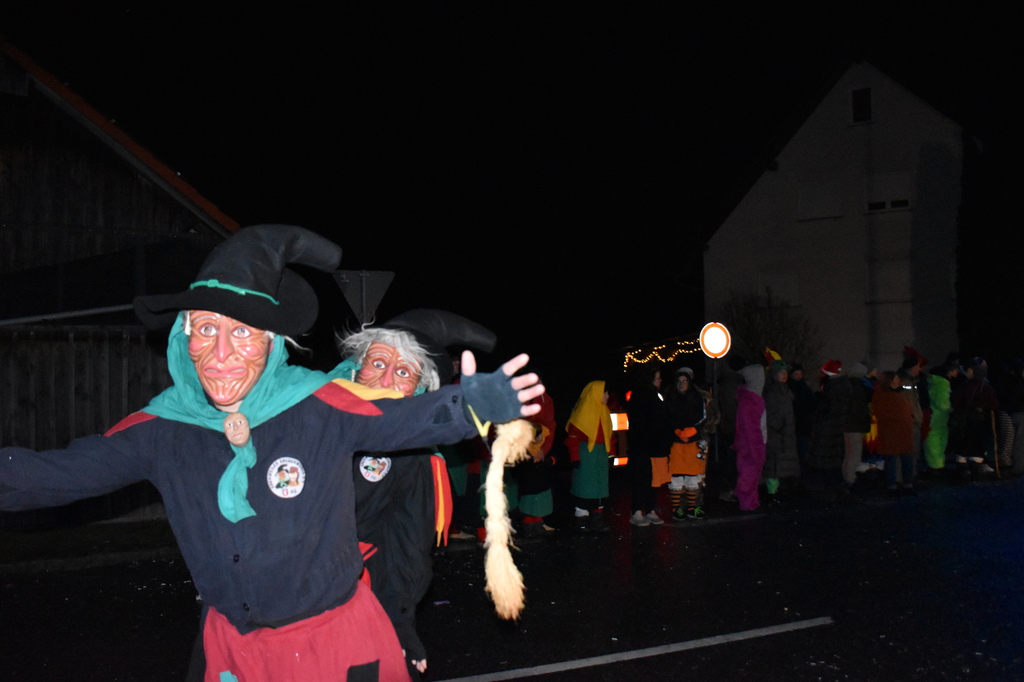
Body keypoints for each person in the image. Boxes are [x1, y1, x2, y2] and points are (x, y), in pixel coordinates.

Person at [0, 225, 546, 682]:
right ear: (183, 338)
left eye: (243, 333)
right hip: (233, 651)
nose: (221, 354)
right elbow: (55, 474)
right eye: (206, 329)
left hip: (333, 646)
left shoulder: (320, 405)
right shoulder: (161, 429)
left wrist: (468, 405)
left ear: (271, 343)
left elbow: (402, 420)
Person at [336, 308, 497, 679]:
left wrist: (398, 624)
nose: (386, 380)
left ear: (419, 390)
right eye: (378, 363)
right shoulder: (311, 414)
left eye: (404, 372)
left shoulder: (412, 458)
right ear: (357, 368)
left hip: (348, 603)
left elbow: (405, 550)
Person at [624, 364, 672, 526]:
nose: (660, 381)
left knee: (653, 479)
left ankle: (650, 508)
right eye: (657, 378)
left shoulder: (655, 395)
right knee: (641, 478)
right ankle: (637, 511)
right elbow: (643, 421)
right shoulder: (641, 396)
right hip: (643, 445)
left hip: (654, 445)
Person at [565, 380, 615, 532]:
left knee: (599, 488)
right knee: (585, 487)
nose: (607, 396)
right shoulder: (583, 413)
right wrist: (575, 456)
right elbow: (573, 437)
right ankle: (581, 519)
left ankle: (597, 519)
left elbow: (609, 436)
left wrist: (611, 455)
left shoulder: (604, 412)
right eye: (605, 393)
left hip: (600, 455)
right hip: (586, 455)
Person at [666, 366, 709, 520]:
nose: (682, 384)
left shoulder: (697, 398)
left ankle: (692, 508)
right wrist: (677, 431)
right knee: (676, 477)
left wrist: (693, 430)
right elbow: (666, 418)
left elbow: (703, 417)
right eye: (679, 381)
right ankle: (677, 508)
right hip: (675, 443)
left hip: (693, 442)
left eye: (685, 381)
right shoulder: (670, 398)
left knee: (693, 475)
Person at [807, 359, 852, 499]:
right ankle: (839, 487)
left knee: (825, 461)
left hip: (827, 430)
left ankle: (833, 489)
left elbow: (829, 410)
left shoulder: (832, 388)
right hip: (835, 430)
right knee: (833, 461)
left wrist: (818, 415)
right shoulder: (842, 387)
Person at [872, 370, 917, 494]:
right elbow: (881, 413)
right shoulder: (883, 395)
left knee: (905, 459)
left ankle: (906, 484)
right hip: (891, 432)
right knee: (893, 460)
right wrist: (903, 418)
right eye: (896, 379)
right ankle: (893, 486)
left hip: (902, 431)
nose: (899, 381)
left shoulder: (898, 393)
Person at [953, 356, 999, 478]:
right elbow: (994, 404)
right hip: (978, 419)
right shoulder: (985, 386)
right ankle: (975, 468)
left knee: (964, 443)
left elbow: (956, 400)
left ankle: (962, 467)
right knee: (977, 443)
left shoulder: (965, 384)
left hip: (965, 419)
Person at [762, 359, 799, 506]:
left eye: (785, 372)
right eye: (780, 372)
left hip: (786, 433)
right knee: (774, 464)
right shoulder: (771, 392)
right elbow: (771, 414)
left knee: (782, 464)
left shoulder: (785, 390)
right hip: (776, 434)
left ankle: (779, 491)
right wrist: (780, 427)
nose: (784, 375)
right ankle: (772, 493)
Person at [731, 364, 767, 512]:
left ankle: (749, 499)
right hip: (750, 446)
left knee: (751, 474)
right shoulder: (750, 402)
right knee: (749, 474)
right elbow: (752, 431)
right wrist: (758, 450)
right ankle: (747, 502)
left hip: (750, 445)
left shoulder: (753, 398)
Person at [923, 359, 959, 476]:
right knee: (937, 442)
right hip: (939, 418)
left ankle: (934, 465)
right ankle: (937, 466)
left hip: (932, 416)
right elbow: (943, 403)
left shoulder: (933, 381)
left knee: (932, 442)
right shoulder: (942, 383)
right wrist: (950, 407)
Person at [843, 361, 874, 487]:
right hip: (854, 425)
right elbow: (859, 408)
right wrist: (864, 419)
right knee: (854, 454)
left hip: (848, 425)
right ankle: (850, 479)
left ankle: (847, 477)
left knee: (849, 454)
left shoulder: (847, 385)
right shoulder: (857, 387)